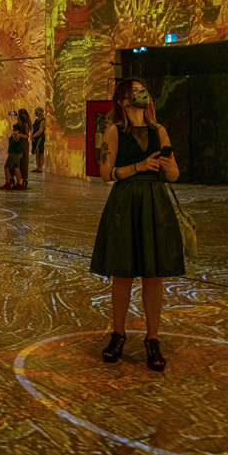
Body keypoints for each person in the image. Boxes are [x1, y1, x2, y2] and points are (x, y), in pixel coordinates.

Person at [92, 79, 183, 373]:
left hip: (155, 204)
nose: (141, 93)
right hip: (125, 203)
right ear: (122, 100)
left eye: (143, 89)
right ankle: (118, 334)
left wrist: (169, 168)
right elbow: (105, 173)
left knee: (153, 275)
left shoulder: (160, 131)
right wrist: (139, 167)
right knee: (122, 274)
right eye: (134, 90)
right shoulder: (114, 131)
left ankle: (152, 338)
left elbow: (174, 175)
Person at [0, 112, 27, 191]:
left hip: (15, 152)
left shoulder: (17, 135)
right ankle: (18, 184)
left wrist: (12, 136)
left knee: (6, 167)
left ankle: (8, 183)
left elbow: (13, 143)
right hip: (18, 152)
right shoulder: (20, 135)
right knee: (16, 168)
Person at [17, 108, 32, 188]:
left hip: (24, 144)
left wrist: (19, 135)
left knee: (24, 161)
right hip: (20, 143)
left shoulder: (25, 124)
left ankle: (25, 180)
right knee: (19, 161)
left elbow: (26, 136)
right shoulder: (21, 123)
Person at [32, 106, 46, 172]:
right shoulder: (36, 120)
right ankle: (37, 166)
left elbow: (41, 130)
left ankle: (40, 167)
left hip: (40, 137)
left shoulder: (42, 121)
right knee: (37, 152)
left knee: (41, 152)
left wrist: (33, 136)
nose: (36, 113)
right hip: (36, 137)